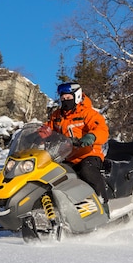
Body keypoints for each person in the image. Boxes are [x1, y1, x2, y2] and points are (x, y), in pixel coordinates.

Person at [39, 82, 110, 210]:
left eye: (68, 98)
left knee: (87, 171)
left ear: (76, 97)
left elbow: (102, 130)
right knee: (51, 175)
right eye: (63, 98)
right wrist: (36, 135)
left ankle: (103, 203)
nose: (65, 101)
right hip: (66, 156)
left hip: (88, 155)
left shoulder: (88, 113)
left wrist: (91, 137)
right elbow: (47, 128)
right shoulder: (57, 115)